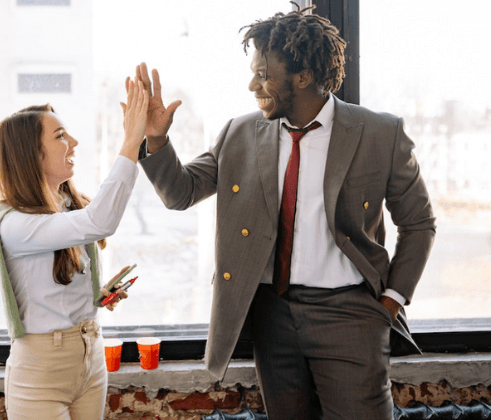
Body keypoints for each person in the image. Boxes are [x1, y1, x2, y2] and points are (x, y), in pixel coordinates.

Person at [132, 5, 436, 420]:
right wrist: (156, 140)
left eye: (263, 74)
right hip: (272, 316)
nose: (251, 84)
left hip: (350, 316)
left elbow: (419, 223)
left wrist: (391, 300)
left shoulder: (380, 133)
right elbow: (180, 193)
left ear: (303, 77)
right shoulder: (240, 133)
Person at [0, 79, 149, 420]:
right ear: (32, 153)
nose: (73, 142)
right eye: (60, 136)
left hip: (90, 355)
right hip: (42, 370)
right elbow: (100, 221)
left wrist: (98, 295)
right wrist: (132, 140)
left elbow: (51, 289)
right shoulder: (14, 224)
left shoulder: (65, 206)